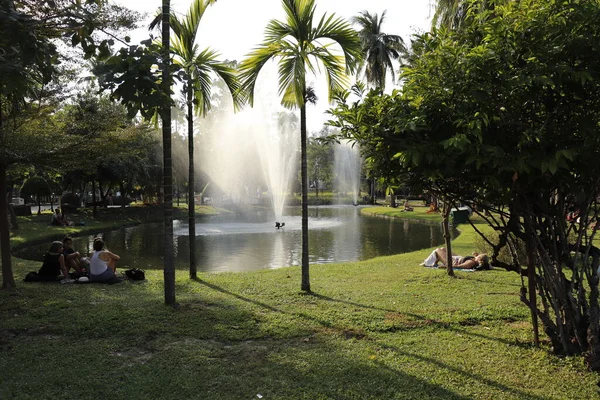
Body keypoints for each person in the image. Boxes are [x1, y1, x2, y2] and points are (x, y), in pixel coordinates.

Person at [421, 247, 491, 270]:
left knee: (437, 250)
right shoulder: (474, 260)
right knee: (443, 249)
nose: (477, 256)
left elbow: (459, 266)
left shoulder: (471, 262)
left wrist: (445, 266)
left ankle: (427, 263)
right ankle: (432, 262)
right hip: (457, 258)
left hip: (453, 261)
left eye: (478, 256)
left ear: (479, 260)